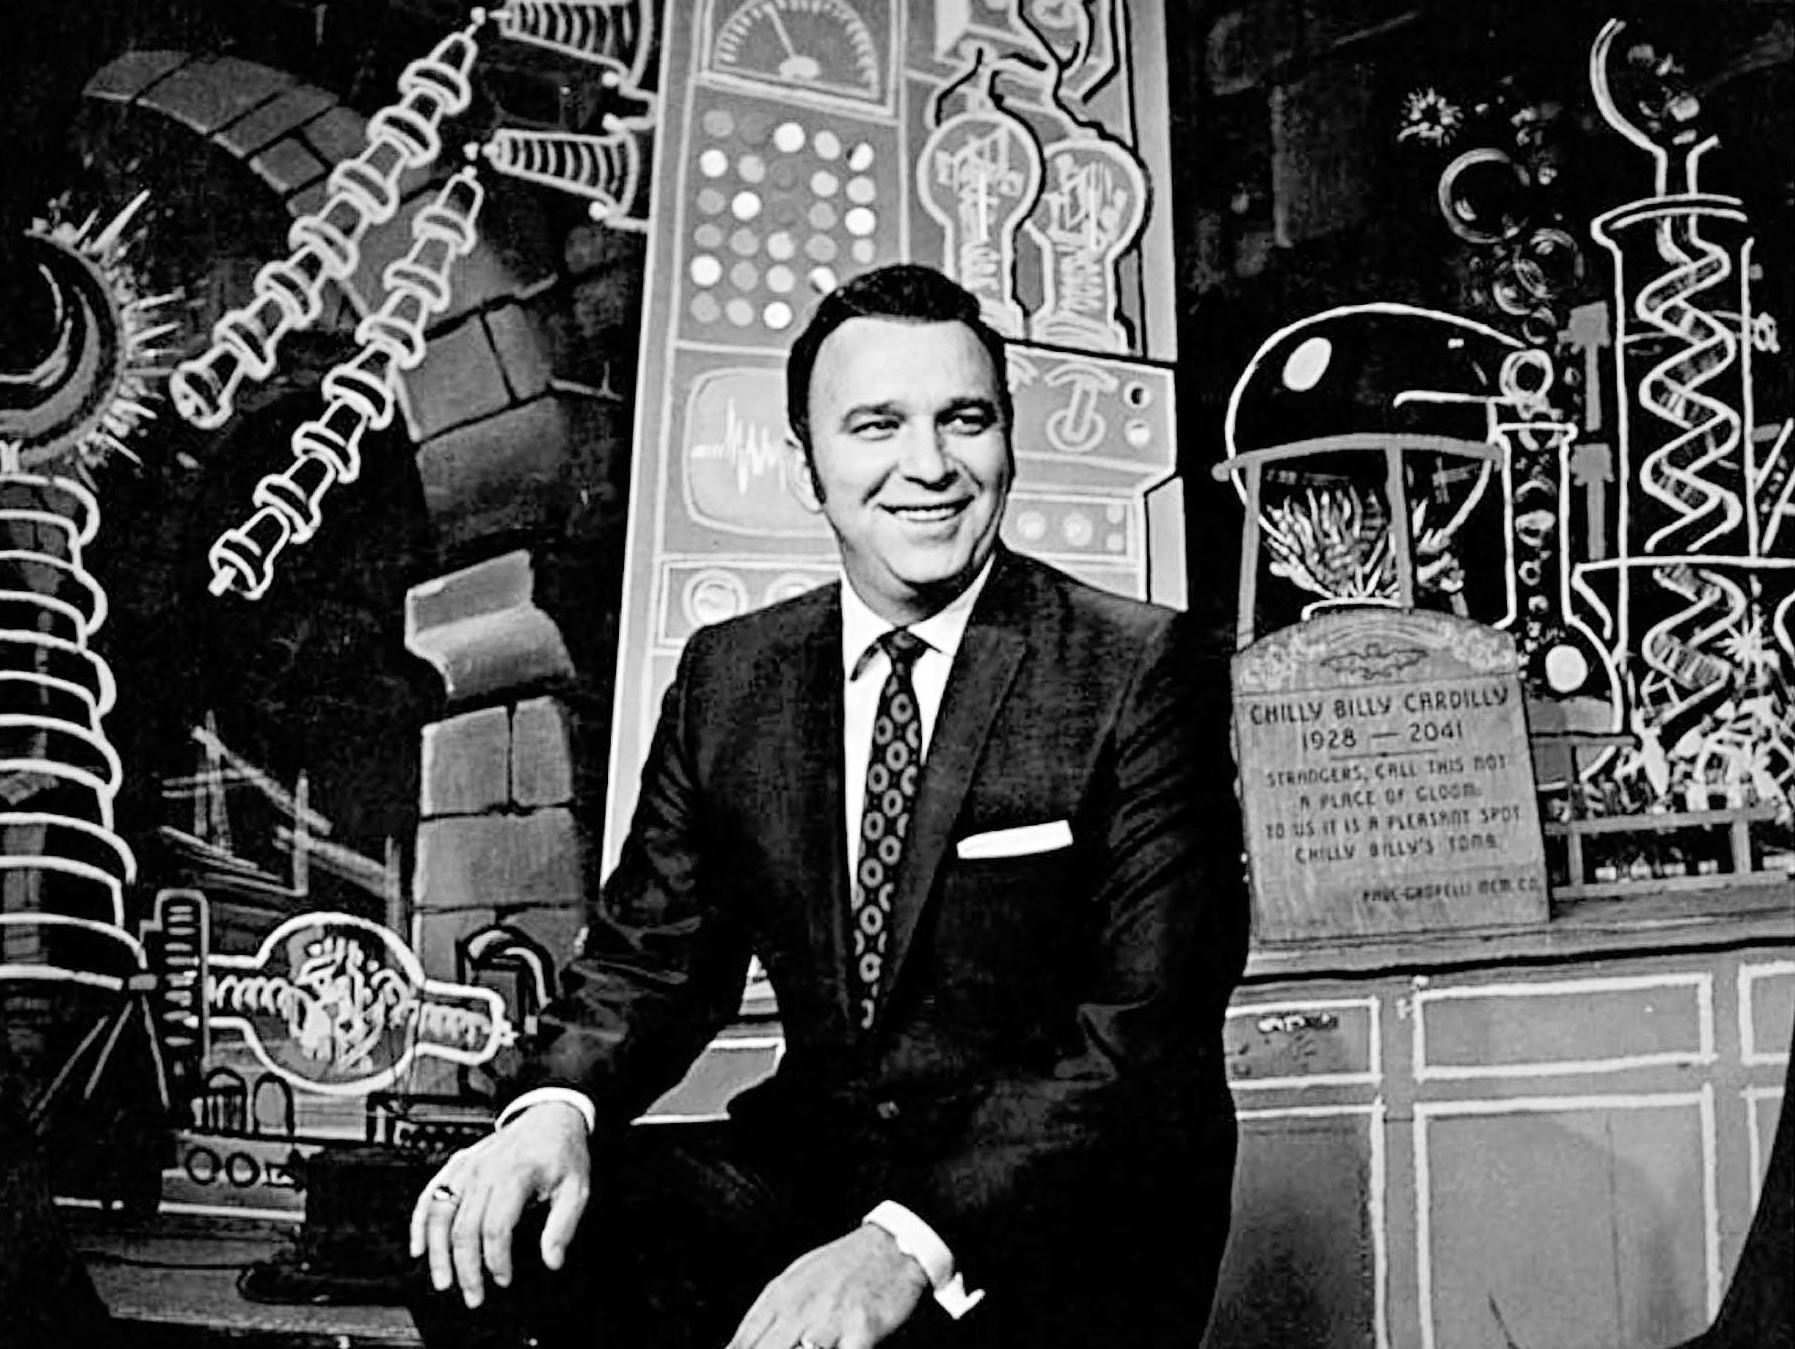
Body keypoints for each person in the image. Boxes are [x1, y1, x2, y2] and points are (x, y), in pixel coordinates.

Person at [409, 263, 1249, 1349]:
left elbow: (1141, 1029)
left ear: (1008, 439)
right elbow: (651, 958)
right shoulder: (731, 674)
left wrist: (906, 1243)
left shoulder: (1137, 666)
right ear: (806, 462)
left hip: (1056, 1204)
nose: (930, 465)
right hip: (816, 1168)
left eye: (965, 419)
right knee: (487, 1243)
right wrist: (552, 1112)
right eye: (876, 425)